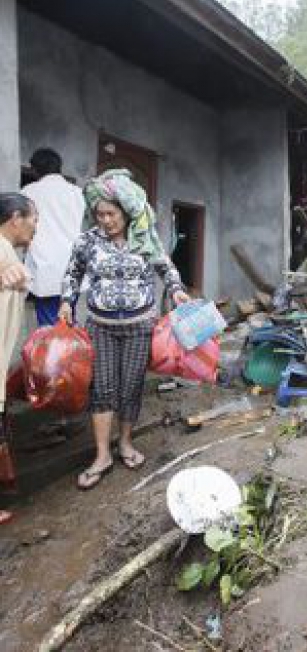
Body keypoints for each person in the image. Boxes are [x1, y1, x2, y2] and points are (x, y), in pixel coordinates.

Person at [59, 170, 190, 490]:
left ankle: (126, 443)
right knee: (102, 388)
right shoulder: (87, 241)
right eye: (99, 214)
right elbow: (72, 274)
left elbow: (166, 268)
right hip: (101, 326)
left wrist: (176, 290)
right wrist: (67, 302)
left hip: (139, 324)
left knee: (130, 387)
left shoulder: (144, 237)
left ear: (126, 212)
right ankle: (102, 454)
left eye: (111, 214)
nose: (104, 220)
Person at [0, 193, 38, 524]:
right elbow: (8, 271)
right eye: (34, 219)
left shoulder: (9, 251)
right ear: (16, 217)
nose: (35, 227)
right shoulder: (2, 250)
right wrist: (8, 273)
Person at [23, 148, 85, 326]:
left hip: (44, 268)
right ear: (59, 167)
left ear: (35, 169)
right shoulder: (77, 193)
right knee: (68, 323)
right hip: (73, 268)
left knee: (49, 329)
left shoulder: (29, 192)